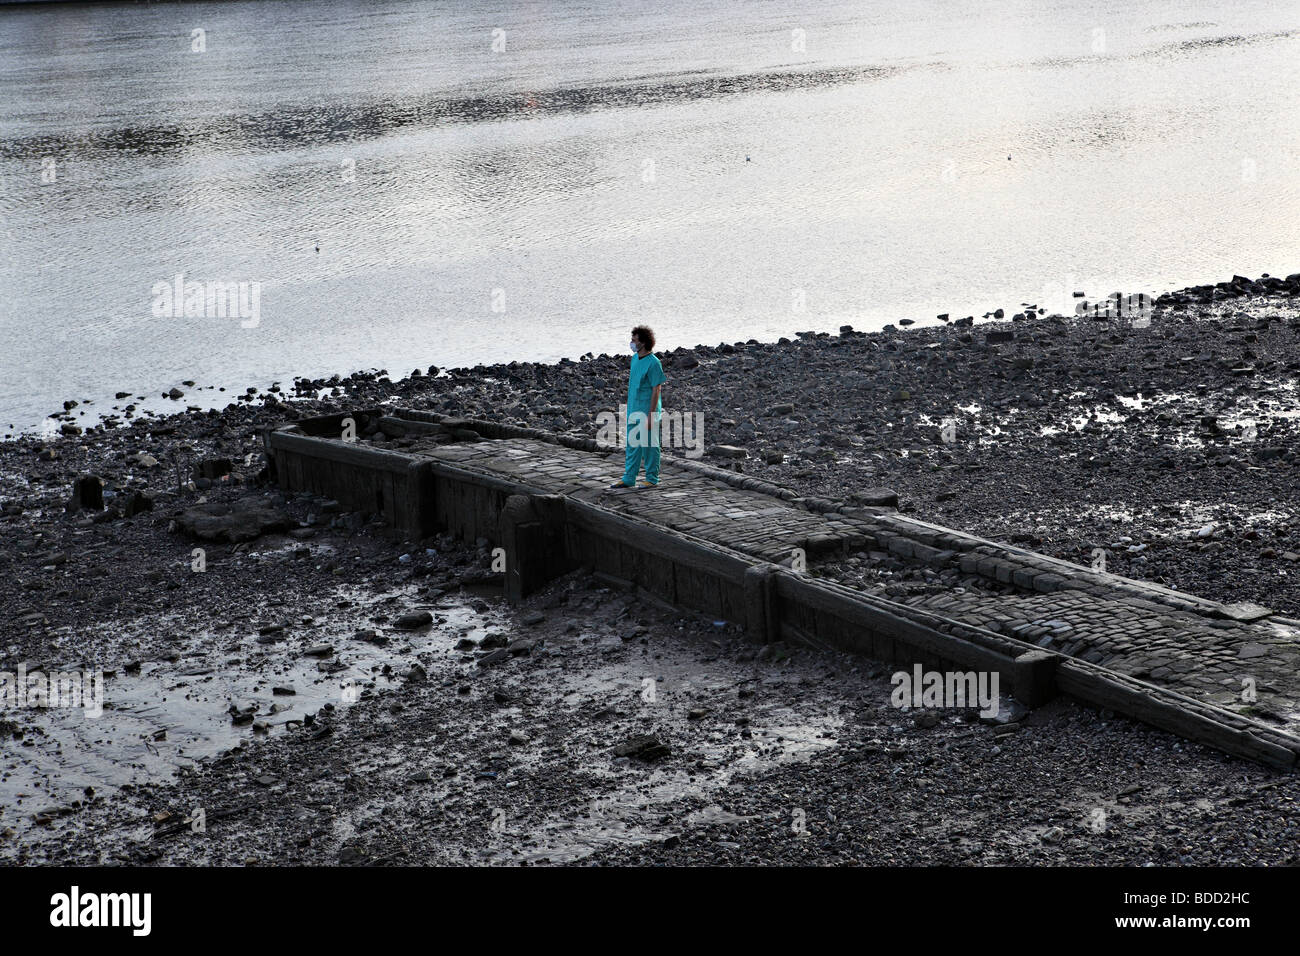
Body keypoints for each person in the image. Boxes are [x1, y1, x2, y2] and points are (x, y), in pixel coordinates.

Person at [610, 325, 666, 488]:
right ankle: (629, 478)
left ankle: (652, 478)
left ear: (643, 342)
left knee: (649, 445)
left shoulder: (654, 363)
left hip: (648, 410)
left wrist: (651, 415)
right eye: (632, 339)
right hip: (633, 408)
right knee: (632, 445)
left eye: (634, 340)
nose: (632, 343)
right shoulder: (635, 359)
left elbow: (656, 389)